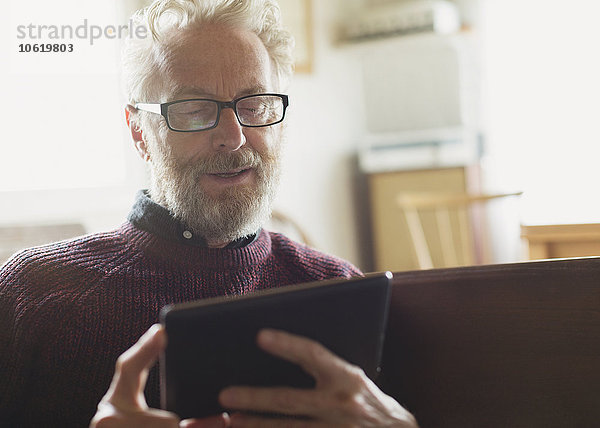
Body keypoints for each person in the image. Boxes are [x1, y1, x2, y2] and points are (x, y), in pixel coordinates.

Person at [0, 0, 418, 427]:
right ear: (139, 133)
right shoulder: (32, 295)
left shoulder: (338, 289)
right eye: (195, 109)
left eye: (254, 104)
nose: (234, 137)